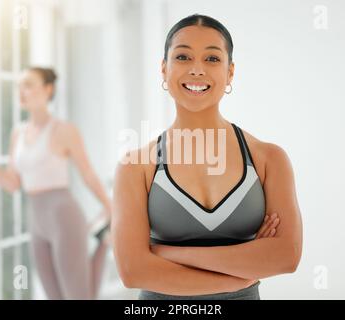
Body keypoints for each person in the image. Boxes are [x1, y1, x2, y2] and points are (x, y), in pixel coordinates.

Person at [112, 14, 303, 300]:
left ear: (230, 73)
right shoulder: (135, 166)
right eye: (183, 57)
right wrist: (239, 275)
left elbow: (285, 257)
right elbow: (133, 271)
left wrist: (168, 253)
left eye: (212, 59)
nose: (197, 69)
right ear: (164, 70)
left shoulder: (269, 159)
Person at [0, 67, 112, 300]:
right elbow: (12, 183)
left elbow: (88, 174)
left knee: (79, 298)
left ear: (48, 89)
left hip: (64, 217)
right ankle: (105, 240)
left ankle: (106, 239)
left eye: (28, 84)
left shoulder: (64, 130)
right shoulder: (18, 133)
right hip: (36, 221)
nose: (21, 91)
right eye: (19, 86)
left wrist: (110, 207)